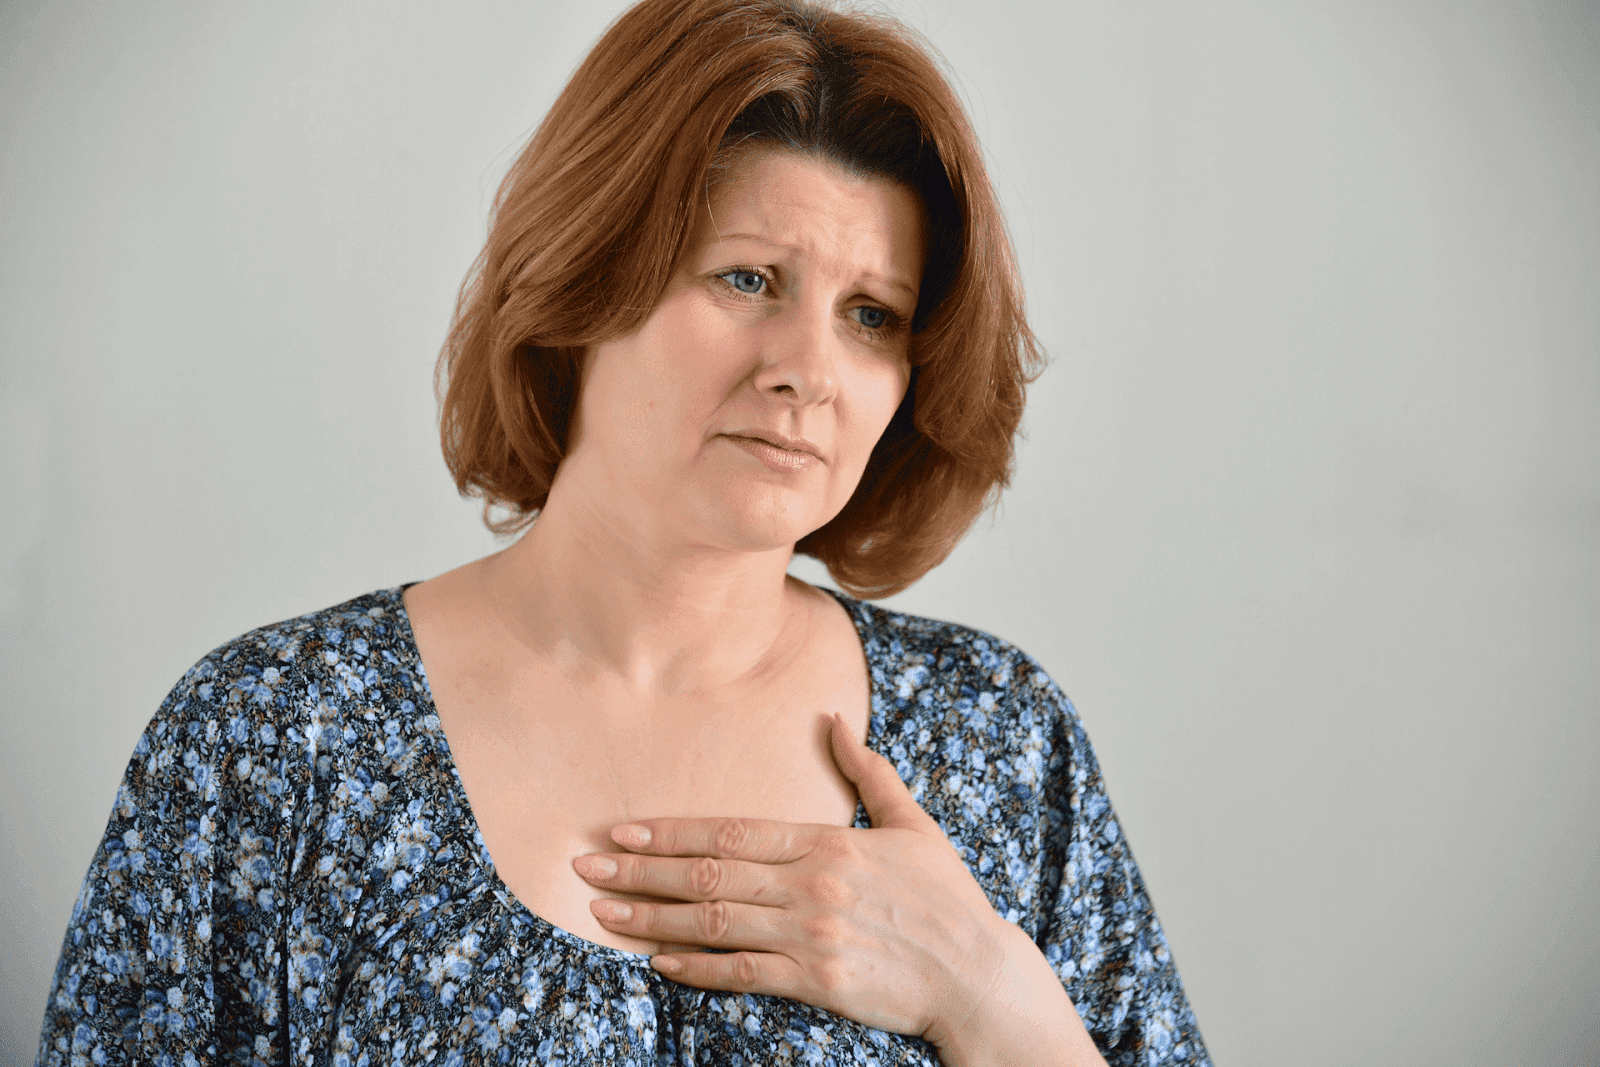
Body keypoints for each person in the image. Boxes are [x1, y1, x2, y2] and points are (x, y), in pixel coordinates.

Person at [35, 0, 1210, 1063]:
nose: (809, 370)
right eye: (747, 279)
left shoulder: (1001, 742)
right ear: (583, 281)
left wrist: (988, 996)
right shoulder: (272, 743)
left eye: (871, 315)